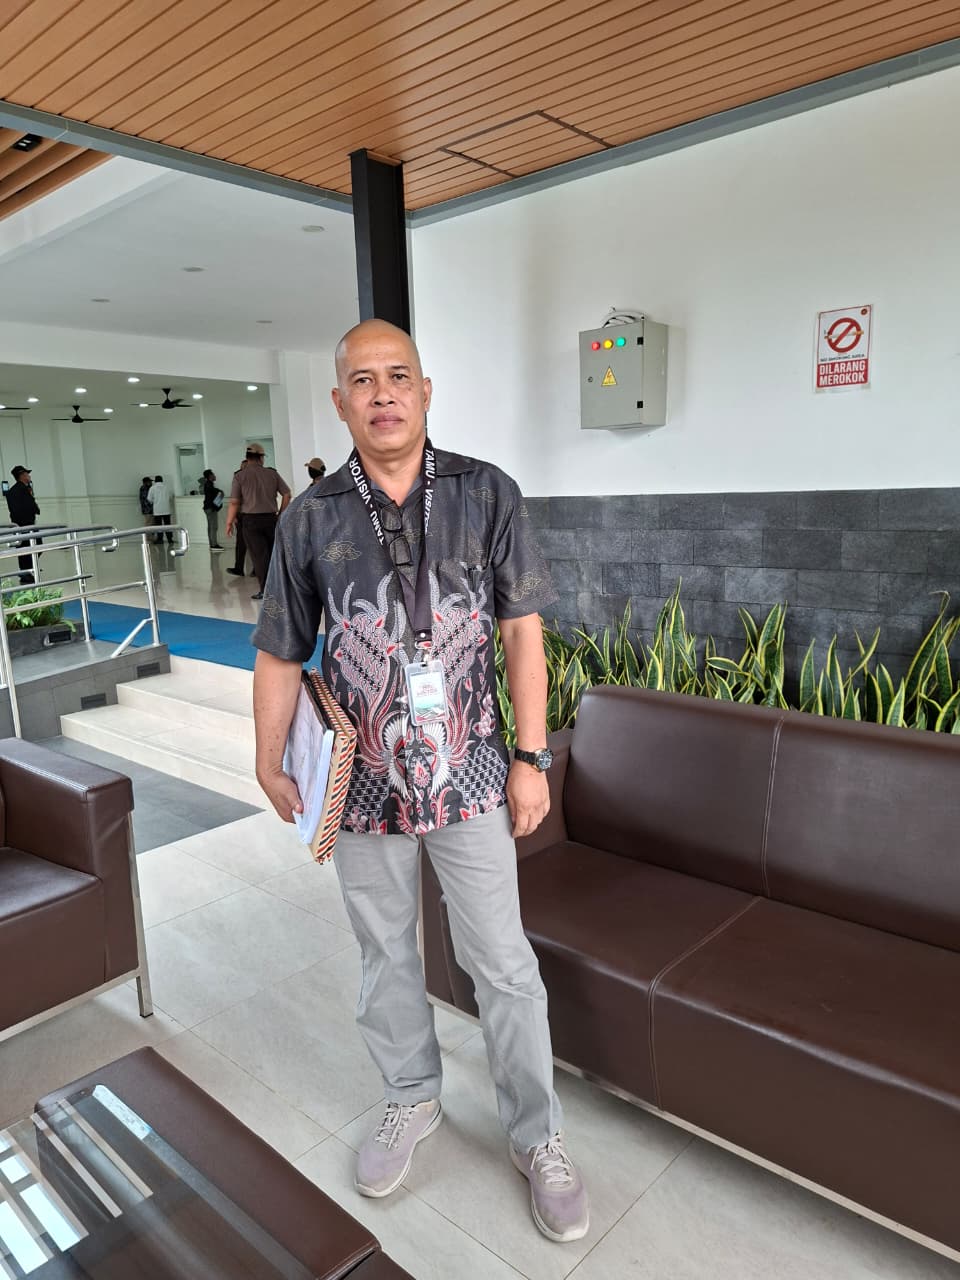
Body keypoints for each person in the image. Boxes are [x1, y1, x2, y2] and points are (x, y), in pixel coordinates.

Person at [251, 319, 589, 1244]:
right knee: (384, 954)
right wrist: (267, 756)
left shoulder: (487, 493)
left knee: (502, 962)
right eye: (363, 381)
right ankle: (411, 1093)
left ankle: (537, 1134)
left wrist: (531, 758)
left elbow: (522, 633)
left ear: (426, 390)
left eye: (398, 375)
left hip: (472, 771)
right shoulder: (310, 518)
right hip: (363, 787)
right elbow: (279, 650)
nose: (383, 394)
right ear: (340, 402)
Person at [225, 445, 290, 599]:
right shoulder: (272, 474)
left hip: (251, 521)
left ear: (247, 458)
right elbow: (287, 494)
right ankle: (282, 589)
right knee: (274, 555)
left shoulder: (240, 476)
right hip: (271, 519)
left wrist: (229, 522)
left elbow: (234, 502)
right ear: (261, 458)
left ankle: (266, 591)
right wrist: (281, 514)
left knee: (259, 557)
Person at [6, 465, 40, 584]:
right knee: (36, 545)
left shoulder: (13, 491)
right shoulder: (21, 490)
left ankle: (26, 572)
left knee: (23, 549)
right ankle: (26, 572)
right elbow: (27, 506)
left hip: (19, 525)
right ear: (22, 476)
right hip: (26, 524)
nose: (29, 476)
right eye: (27, 474)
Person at [202, 469, 224, 549]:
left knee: (210, 527)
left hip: (208, 508)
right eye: (213, 474)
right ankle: (214, 545)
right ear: (210, 476)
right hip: (211, 509)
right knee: (213, 527)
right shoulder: (209, 485)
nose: (215, 476)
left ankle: (212, 544)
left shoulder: (208, 485)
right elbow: (213, 494)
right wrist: (220, 491)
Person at [146, 475, 173, 543]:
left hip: (157, 510)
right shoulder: (167, 487)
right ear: (162, 480)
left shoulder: (152, 488)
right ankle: (170, 539)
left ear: (155, 481)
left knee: (158, 525)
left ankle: (160, 539)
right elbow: (170, 497)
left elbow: (149, 499)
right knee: (168, 525)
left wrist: (154, 501)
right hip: (166, 509)